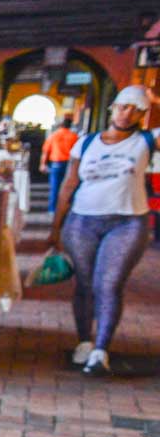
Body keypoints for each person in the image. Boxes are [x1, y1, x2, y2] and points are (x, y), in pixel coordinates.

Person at [49, 85, 158, 376]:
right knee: (84, 284)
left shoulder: (147, 141)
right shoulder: (85, 143)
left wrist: (155, 98)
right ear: (113, 108)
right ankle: (84, 341)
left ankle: (101, 349)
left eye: (136, 109)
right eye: (124, 106)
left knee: (108, 284)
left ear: (143, 114)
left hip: (127, 222)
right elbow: (69, 185)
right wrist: (56, 227)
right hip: (83, 220)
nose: (128, 113)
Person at [40, 115, 78, 212]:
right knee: (68, 189)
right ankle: (65, 210)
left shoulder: (54, 135)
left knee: (55, 188)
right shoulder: (74, 136)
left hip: (56, 164)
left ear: (60, 125)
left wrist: (42, 164)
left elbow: (46, 151)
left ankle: (53, 210)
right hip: (69, 165)